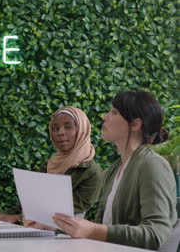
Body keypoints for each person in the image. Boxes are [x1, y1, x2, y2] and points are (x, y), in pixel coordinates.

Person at [52, 91, 177, 250]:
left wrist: (93, 230)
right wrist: (57, 227)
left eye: (114, 112)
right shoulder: (115, 168)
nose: (105, 117)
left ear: (135, 124)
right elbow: (101, 228)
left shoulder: (152, 166)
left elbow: (155, 234)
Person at [0, 106, 104, 226]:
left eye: (68, 127)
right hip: (33, 232)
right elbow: (28, 204)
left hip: (64, 239)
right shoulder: (49, 165)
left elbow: (63, 211)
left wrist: (16, 218)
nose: (60, 132)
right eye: (55, 128)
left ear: (82, 131)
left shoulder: (92, 172)